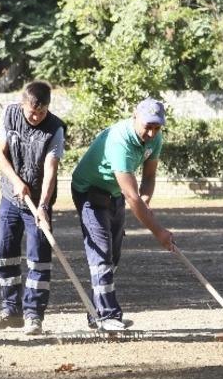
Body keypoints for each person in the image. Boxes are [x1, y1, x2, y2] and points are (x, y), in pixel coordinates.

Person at [70, 97, 176, 330]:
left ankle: (96, 311)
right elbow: (131, 196)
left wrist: (146, 199)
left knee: (113, 255)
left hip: (114, 192)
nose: (152, 133)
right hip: (90, 192)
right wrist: (159, 232)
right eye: (148, 126)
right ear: (134, 118)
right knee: (102, 253)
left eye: (157, 127)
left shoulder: (155, 139)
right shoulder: (120, 140)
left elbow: (148, 177)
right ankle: (108, 316)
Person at [0, 81, 66, 335]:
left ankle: (34, 315)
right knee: (5, 253)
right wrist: (16, 181)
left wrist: (42, 206)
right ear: (23, 104)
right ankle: (11, 310)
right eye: (32, 112)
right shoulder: (9, 114)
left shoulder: (55, 128)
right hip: (11, 197)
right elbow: (1, 154)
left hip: (38, 203)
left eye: (41, 113)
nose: (36, 117)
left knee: (39, 259)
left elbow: (51, 171)